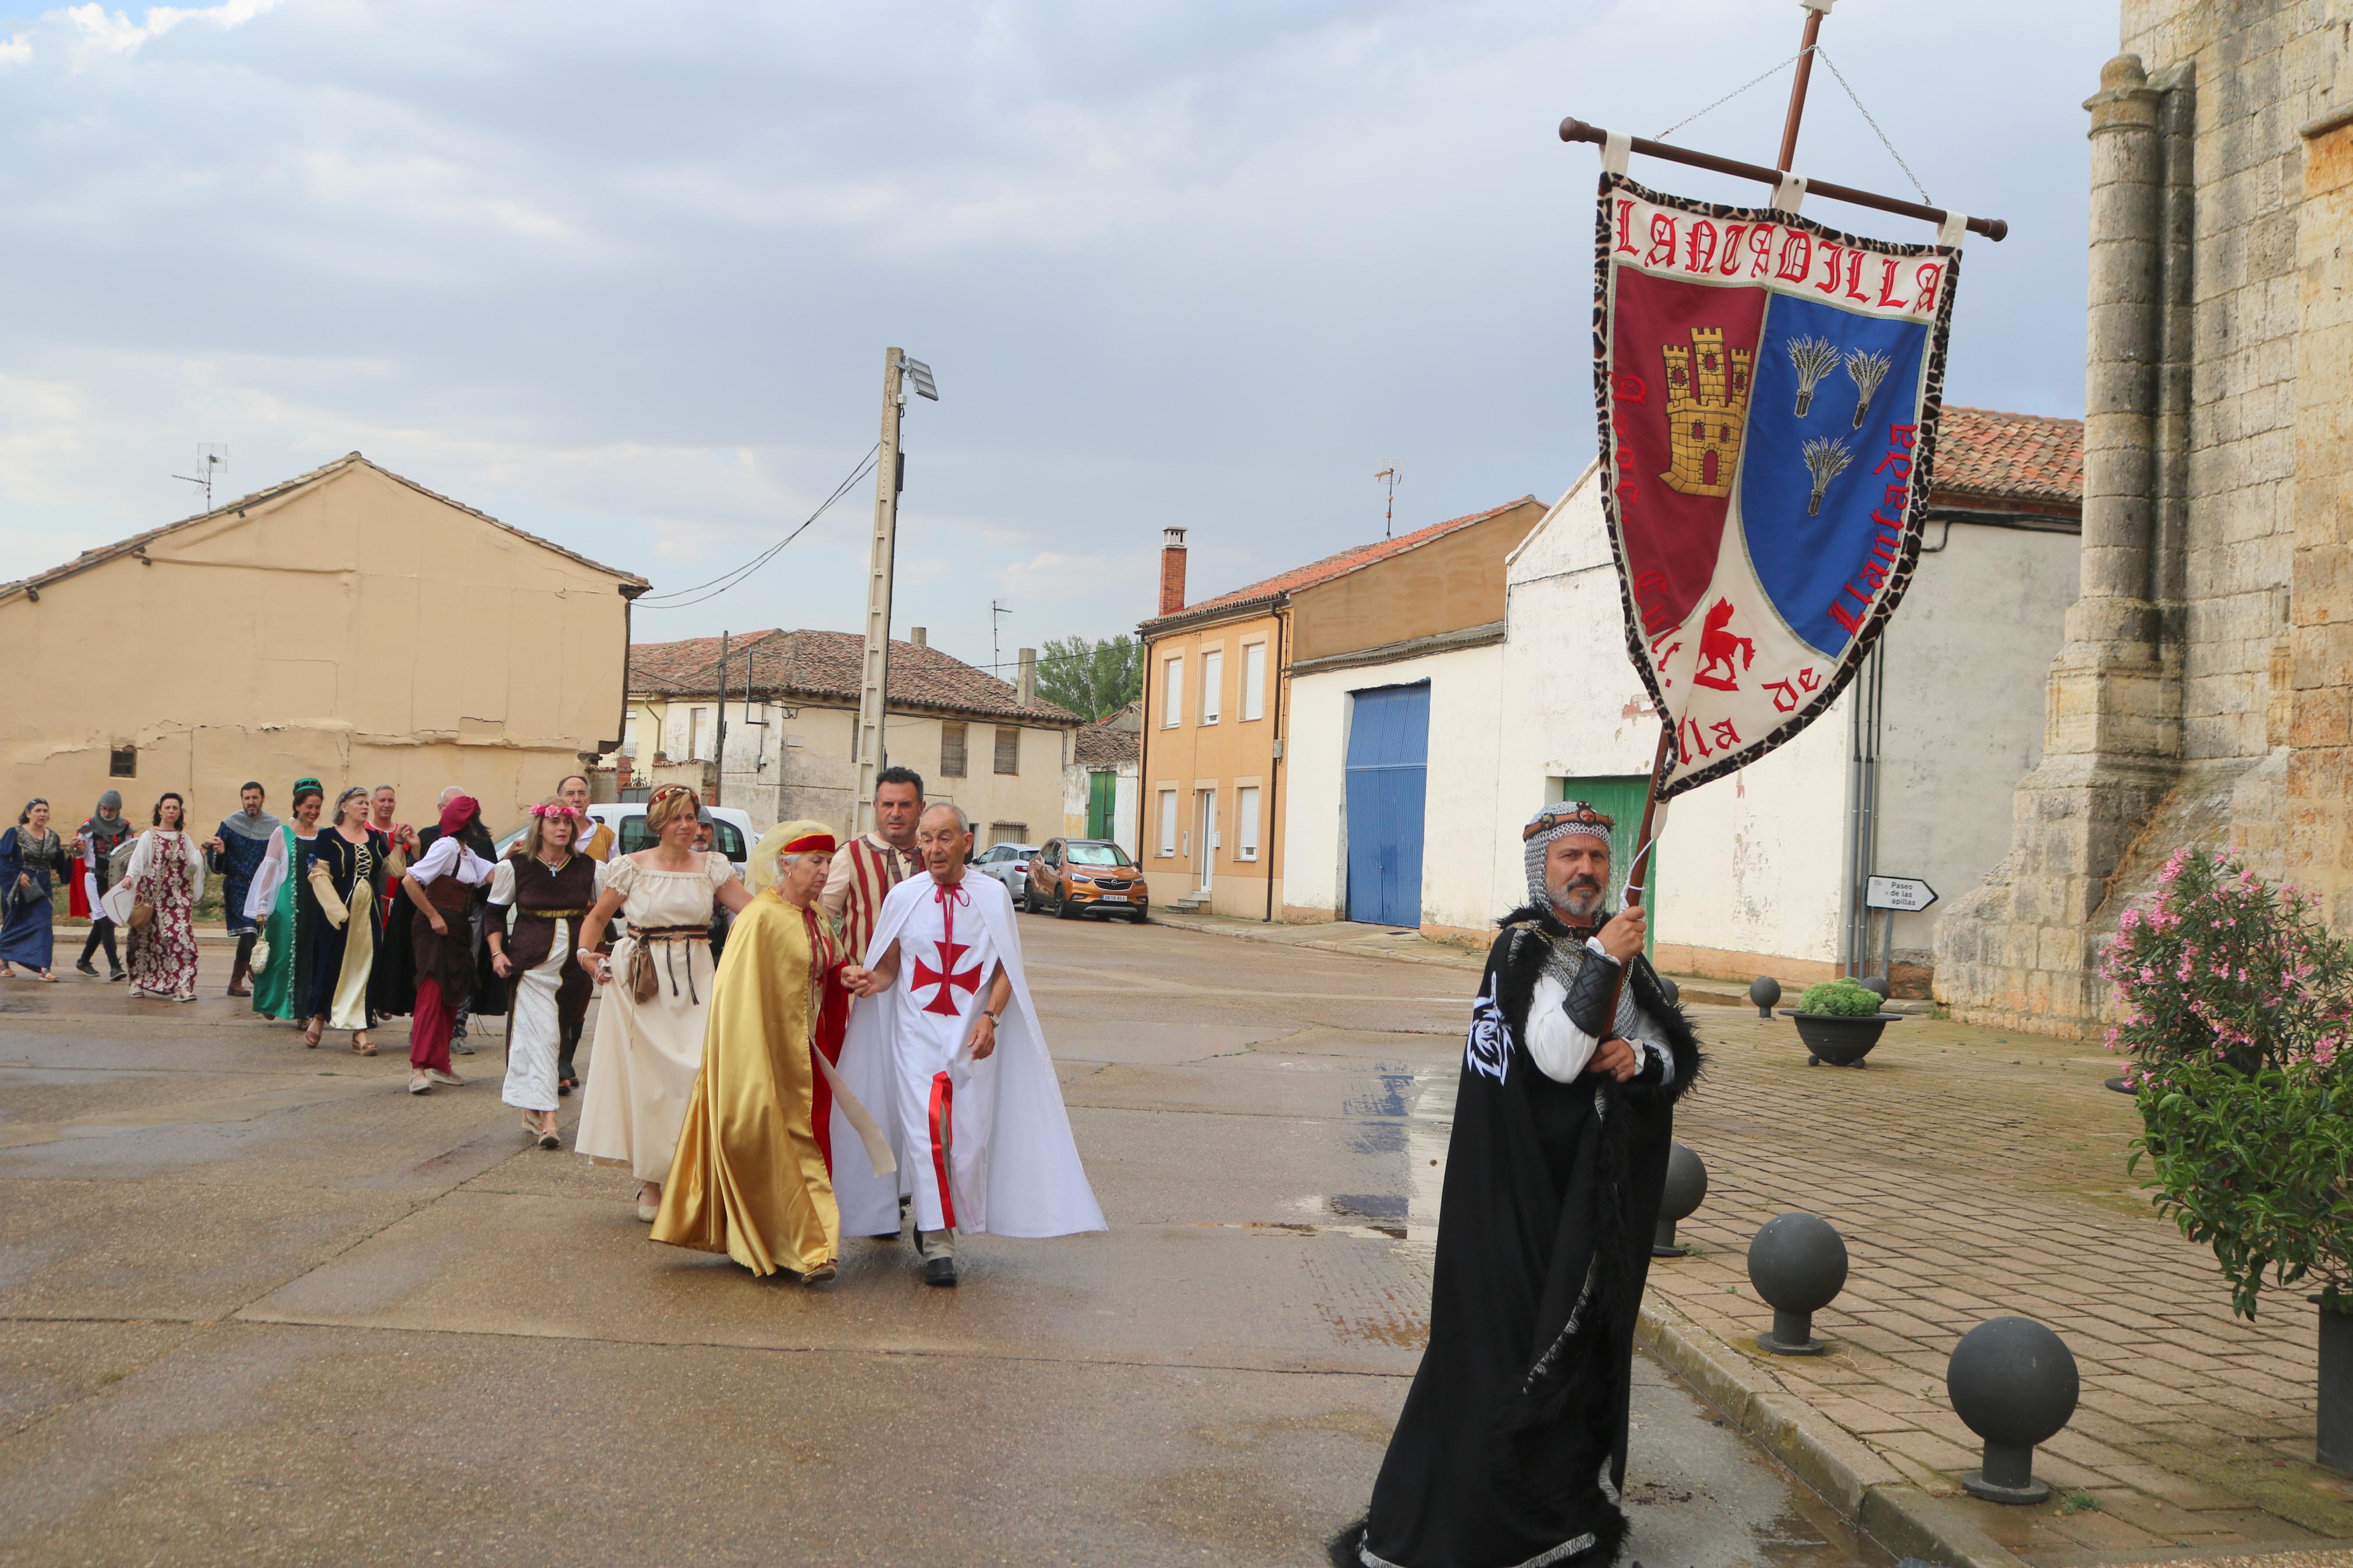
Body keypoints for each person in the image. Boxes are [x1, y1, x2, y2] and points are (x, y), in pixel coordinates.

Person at [1330, 801, 1702, 1568]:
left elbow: (1666, 1045)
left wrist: (1641, 1056)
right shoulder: (1522, 951)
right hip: (1518, 1200)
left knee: (1584, 1350)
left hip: (1592, 1206)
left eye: (1596, 858)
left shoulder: (1626, 955)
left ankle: (1562, 1513)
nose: (1585, 871)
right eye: (1569, 856)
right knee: (1502, 1351)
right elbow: (1557, 1055)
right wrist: (1603, 958)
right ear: (1543, 867)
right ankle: (1470, 1523)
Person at [839, 802, 1105, 1288]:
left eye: (944, 837)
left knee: (965, 1140)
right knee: (925, 1131)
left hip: (970, 1038)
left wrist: (991, 1015)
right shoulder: (904, 897)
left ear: (966, 841)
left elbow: (1008, 967)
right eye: (926, 839)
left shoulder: (993, 896)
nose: (934, 848)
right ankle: (939, 1243)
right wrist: (866, 980)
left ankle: (931, 1214)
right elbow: (889, 969)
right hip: (914, 1036)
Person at [654, 822, 894, 1282]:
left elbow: (828, 964)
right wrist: (750, 1059)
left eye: (828, 862)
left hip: (808, 1053)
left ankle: (799, 1243)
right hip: (766, 1053)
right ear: (786, 863)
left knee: (805, 1141)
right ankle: (809, 1248)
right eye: (814, 862)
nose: (824, 872)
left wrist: (847, 976)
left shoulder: (816, 915)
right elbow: (736, 996)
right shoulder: (760, 917)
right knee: (775, 1141)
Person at [574, 785, 754, 1221]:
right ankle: (650, 1183)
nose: (685, 825)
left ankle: (690, 1173)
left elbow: (751, 911)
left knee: (696, 1072)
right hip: (641, 981)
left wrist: (794, 909)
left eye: (690, 816)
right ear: (658, 824)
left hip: (695, 976)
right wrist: (586, 955)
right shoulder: (630, 868)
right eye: (676, 817)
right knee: (649, 1081)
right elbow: (597, 918)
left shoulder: (712, 866)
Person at [486, 800, 595, 1146]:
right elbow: (493, 914)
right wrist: (497, 952)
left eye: (567, 822)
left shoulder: (589, 867)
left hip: (574, 969)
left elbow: (608, 909)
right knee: (544, 1038)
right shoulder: (517, 866)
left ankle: (532, 1110)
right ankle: (550, 1120)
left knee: (558, 1037)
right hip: (531, 966)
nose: (562, 828)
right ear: (541, 827)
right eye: (555, 822)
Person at [404, 794, 495, 1094]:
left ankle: (440, 1064)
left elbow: (492, 875)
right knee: (432, 994)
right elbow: (410, 881)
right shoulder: (445, 847)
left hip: (456, 927)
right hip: (436, 928)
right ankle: (418, 1068)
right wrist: (432, 917)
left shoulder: (466, 852)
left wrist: (521, 854)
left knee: (450, 995)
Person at [304, 787, 388, 1054]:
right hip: (338, 913)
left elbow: (392, 869)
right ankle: (319, 1015)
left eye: (367, 804)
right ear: (344, 807)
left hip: (369, 915)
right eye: (360, 803)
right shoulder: (327, 837)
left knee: (365, 969)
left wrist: (402, 846)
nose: (365, 807)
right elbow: (317, 875)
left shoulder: (374, 839)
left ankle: (360, 1032)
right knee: (332, 965)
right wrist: (337, 911)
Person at [104, 792, 205, 1002]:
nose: (171, 811)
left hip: (178, 898)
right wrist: (130, 878)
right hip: (153, 897)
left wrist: (204, 850)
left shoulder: (183, 838)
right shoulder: (149, 836)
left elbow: (193, 864)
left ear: (179, 812)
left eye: (175, 808)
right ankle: (138, 981)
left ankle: (183, 985)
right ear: (160, 810)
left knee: (182, 940)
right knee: (145, 940)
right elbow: (138, 862)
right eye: (167, 808)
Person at [246, 780, 324, 1022]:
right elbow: (270, 869)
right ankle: (273, 1001)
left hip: (315, 904)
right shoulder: (282, 833)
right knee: (281, 958)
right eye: (309, 806)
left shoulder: (323, 835)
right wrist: (262, 905)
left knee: (311, 957)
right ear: (298, 806)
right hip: (286, 905)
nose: (313, 812)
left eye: (318, 807)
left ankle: (304, 1013)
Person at [553, 773, 609, 1097]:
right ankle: (559, 1062)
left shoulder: (605, 835)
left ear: (590, 799)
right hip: (556, 921)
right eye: (569, 793)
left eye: (582, 793)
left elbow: (614, 879)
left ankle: (567, 1061)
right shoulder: (552, 832)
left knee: (580, 994)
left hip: (591, 920)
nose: (576, 798)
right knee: (557, 993)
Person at [204, 783, 281, 997]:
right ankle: (237, 980)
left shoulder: (275, 826)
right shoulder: (230, 824)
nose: (251, 802)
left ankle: (256, 972)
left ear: (263, 799)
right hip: (238, 885)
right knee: (248, 931)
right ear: (242, 799)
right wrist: (219, 852)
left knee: (262, 933)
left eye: (255, 798)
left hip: (264, 886)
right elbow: (216, 858)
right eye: (247, 798)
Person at [72, 790, 134, 980]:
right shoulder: (88, 827)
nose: (106, 813)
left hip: (114, 880)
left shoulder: (125, 828)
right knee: (106, 920)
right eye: (104, 809)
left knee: (102, 923)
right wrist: (77, 849)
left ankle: (83, 961)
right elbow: (77, 854)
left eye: (111, 810)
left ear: (118, 810)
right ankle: (115, 966)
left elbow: (130, 853)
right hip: (94, 878)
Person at [0, 799, 63, 981]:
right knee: (14, 924)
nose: (42, 814)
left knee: (44, 924)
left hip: (41, 886)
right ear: (28, 813)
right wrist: (17, 876)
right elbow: (3, 859)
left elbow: (57, 862)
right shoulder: (15, 834)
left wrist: (72, 851)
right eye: (38, 811)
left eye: (45, 811)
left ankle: (44, 967)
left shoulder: (53, 837)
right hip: (19, 885)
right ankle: (3, 960)